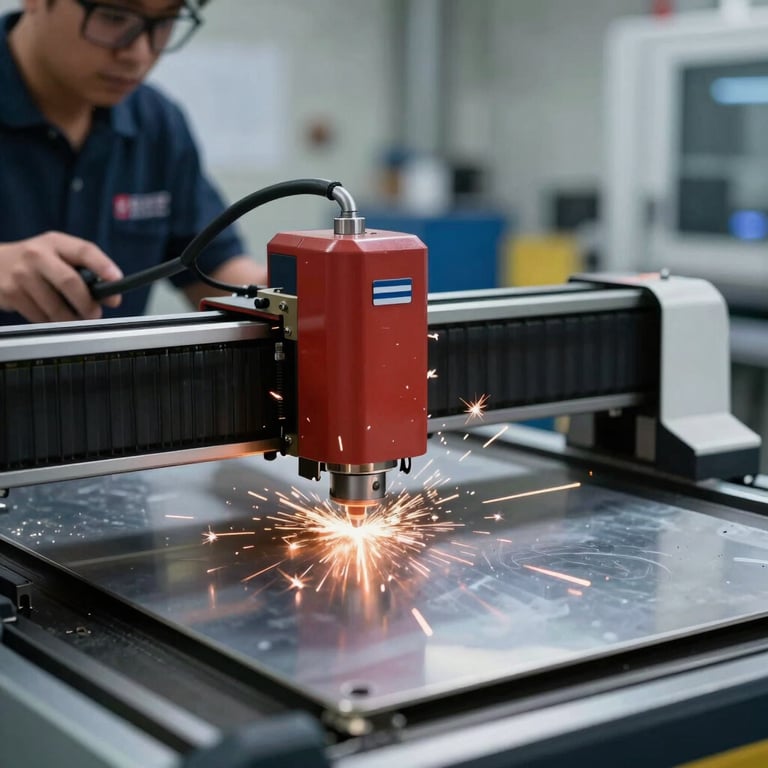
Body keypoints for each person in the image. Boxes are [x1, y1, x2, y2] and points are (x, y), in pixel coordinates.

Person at [0, 0, 267, 325]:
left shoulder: (156, 124)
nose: (138, 54)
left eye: (166, 22)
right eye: (113, 17)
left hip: (114, 376)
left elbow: (216, 274)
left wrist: (290, 293)